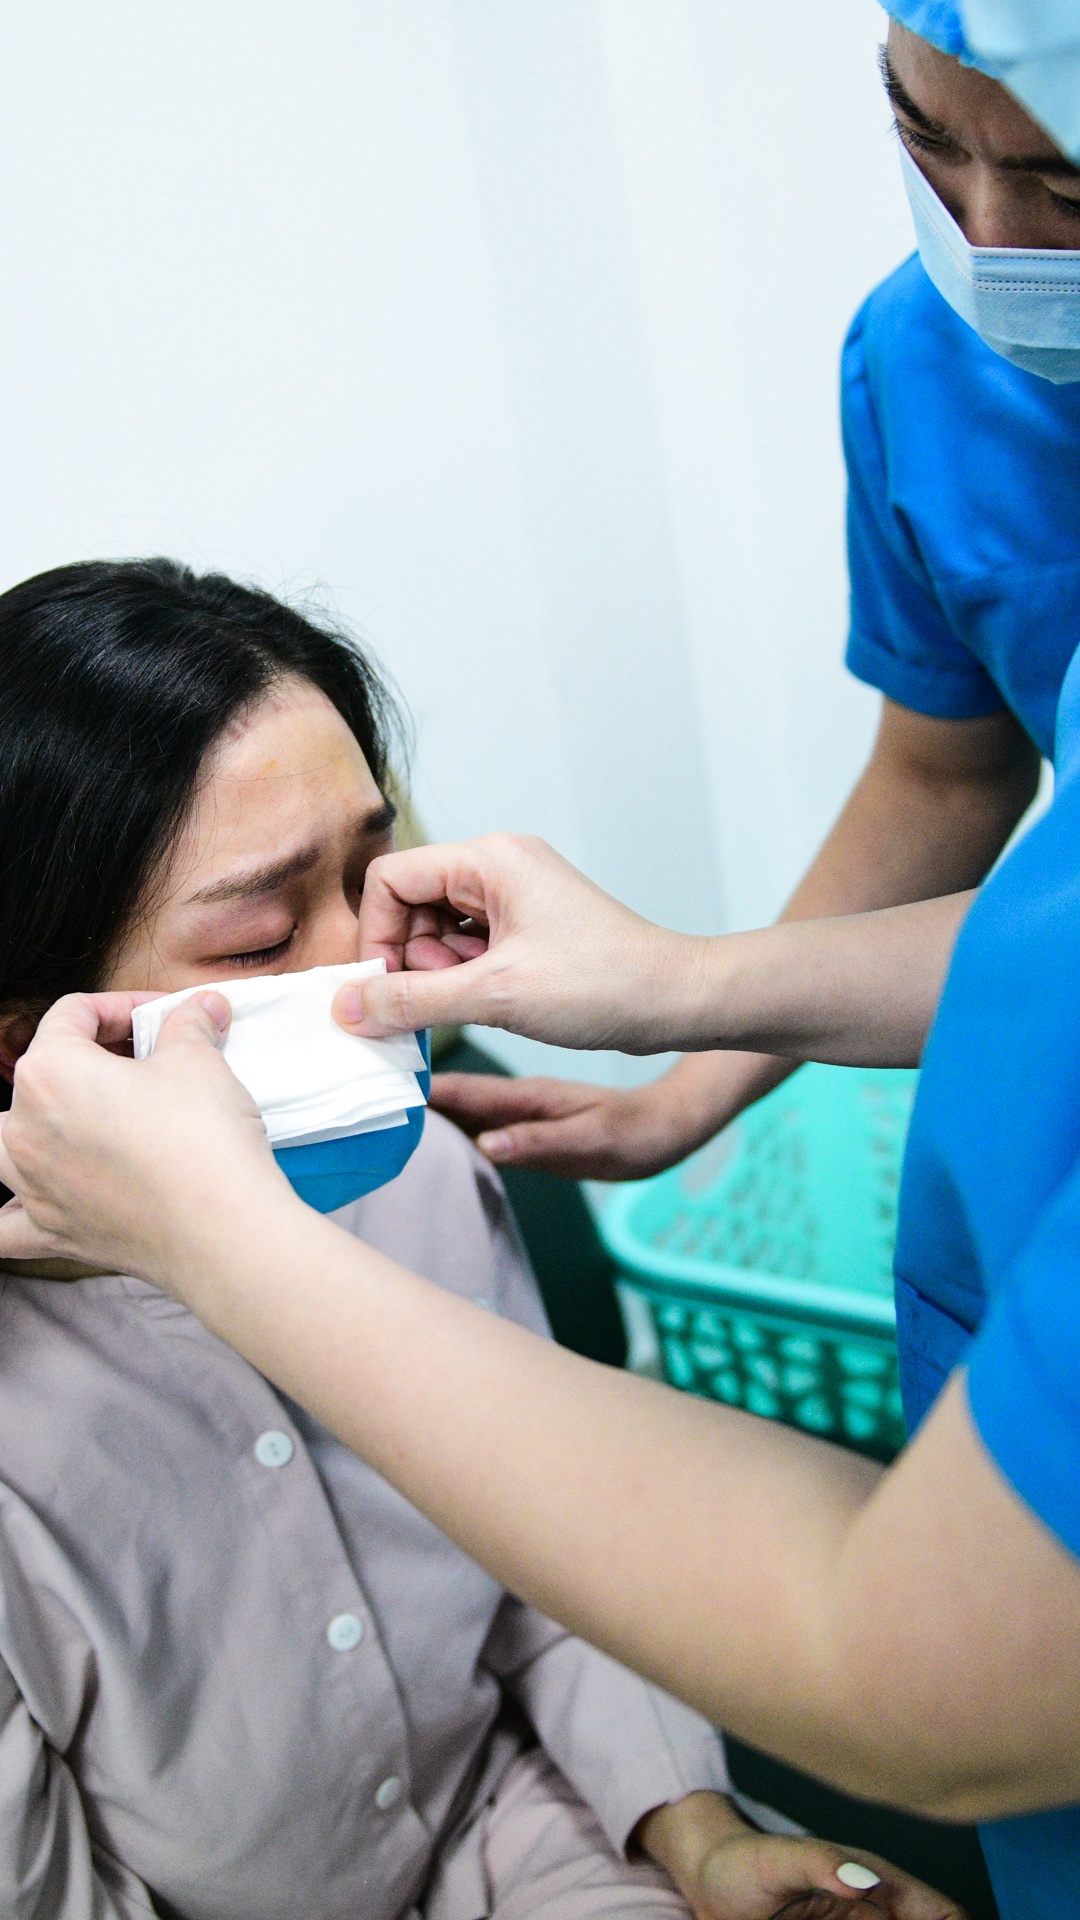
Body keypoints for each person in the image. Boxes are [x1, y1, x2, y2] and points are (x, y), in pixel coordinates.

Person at [0, 559, 957, 1920]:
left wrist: (696, 1835)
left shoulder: (426, 1180)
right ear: (25, 1043)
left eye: (373, 875)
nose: (375, 974)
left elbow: (560, 1575)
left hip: (535, 1831)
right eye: (265, 937)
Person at [429, 0, 1080, 1184]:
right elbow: (942, 774)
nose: (987, 239)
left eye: (1069, 193)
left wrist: (678, 987)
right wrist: (684, 1092)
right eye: (926, 139)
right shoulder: (917, 360)